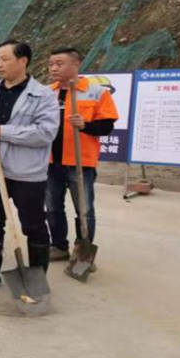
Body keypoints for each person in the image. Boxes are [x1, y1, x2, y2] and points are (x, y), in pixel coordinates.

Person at [0, 40, 59, 293]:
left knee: (33, 225)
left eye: (5, 59)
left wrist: (1, 131)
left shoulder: (43, 95)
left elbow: (45, 133)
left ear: (23, 61)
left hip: (26, 173)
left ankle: (36, 280)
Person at [45, 48, 118, 267]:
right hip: (50, 162)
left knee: (84, 210)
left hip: (80, 163)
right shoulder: (46, 93)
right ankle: (59, 246)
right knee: (53, 208)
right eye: (51, 64)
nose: (54, 68)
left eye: (59, 63)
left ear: (76, 65)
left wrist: (85, 125)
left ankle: (83, 253)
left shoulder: (96, 92)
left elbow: (106, 126)